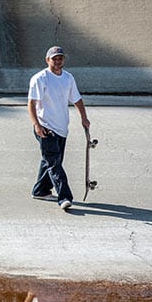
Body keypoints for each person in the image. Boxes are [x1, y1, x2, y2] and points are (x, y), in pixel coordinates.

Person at [27, 46, 90, 210]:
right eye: (54, 58)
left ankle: (40, 190)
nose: (57, 61)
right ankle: (65, 197)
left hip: (62, 127)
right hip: (45, 127)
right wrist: (36, 125)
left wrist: (84, 118)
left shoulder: (68, 78)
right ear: (47, 60)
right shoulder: (40, 78)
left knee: (51, 161)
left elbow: (77, 99)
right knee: (55, 164)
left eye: (60, 58)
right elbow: (31, 103)